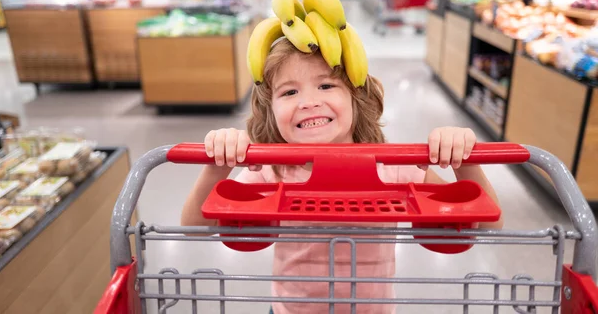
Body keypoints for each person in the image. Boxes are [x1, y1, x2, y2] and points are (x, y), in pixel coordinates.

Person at [181, 38, 504, 314]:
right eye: (289, 92)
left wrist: (464, 160)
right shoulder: (270, 170)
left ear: (356, 98)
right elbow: (195, 229)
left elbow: (489, 224)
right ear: (270, 111)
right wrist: (217, 166)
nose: (309, 102)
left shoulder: (393, 167)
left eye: (326, 85)